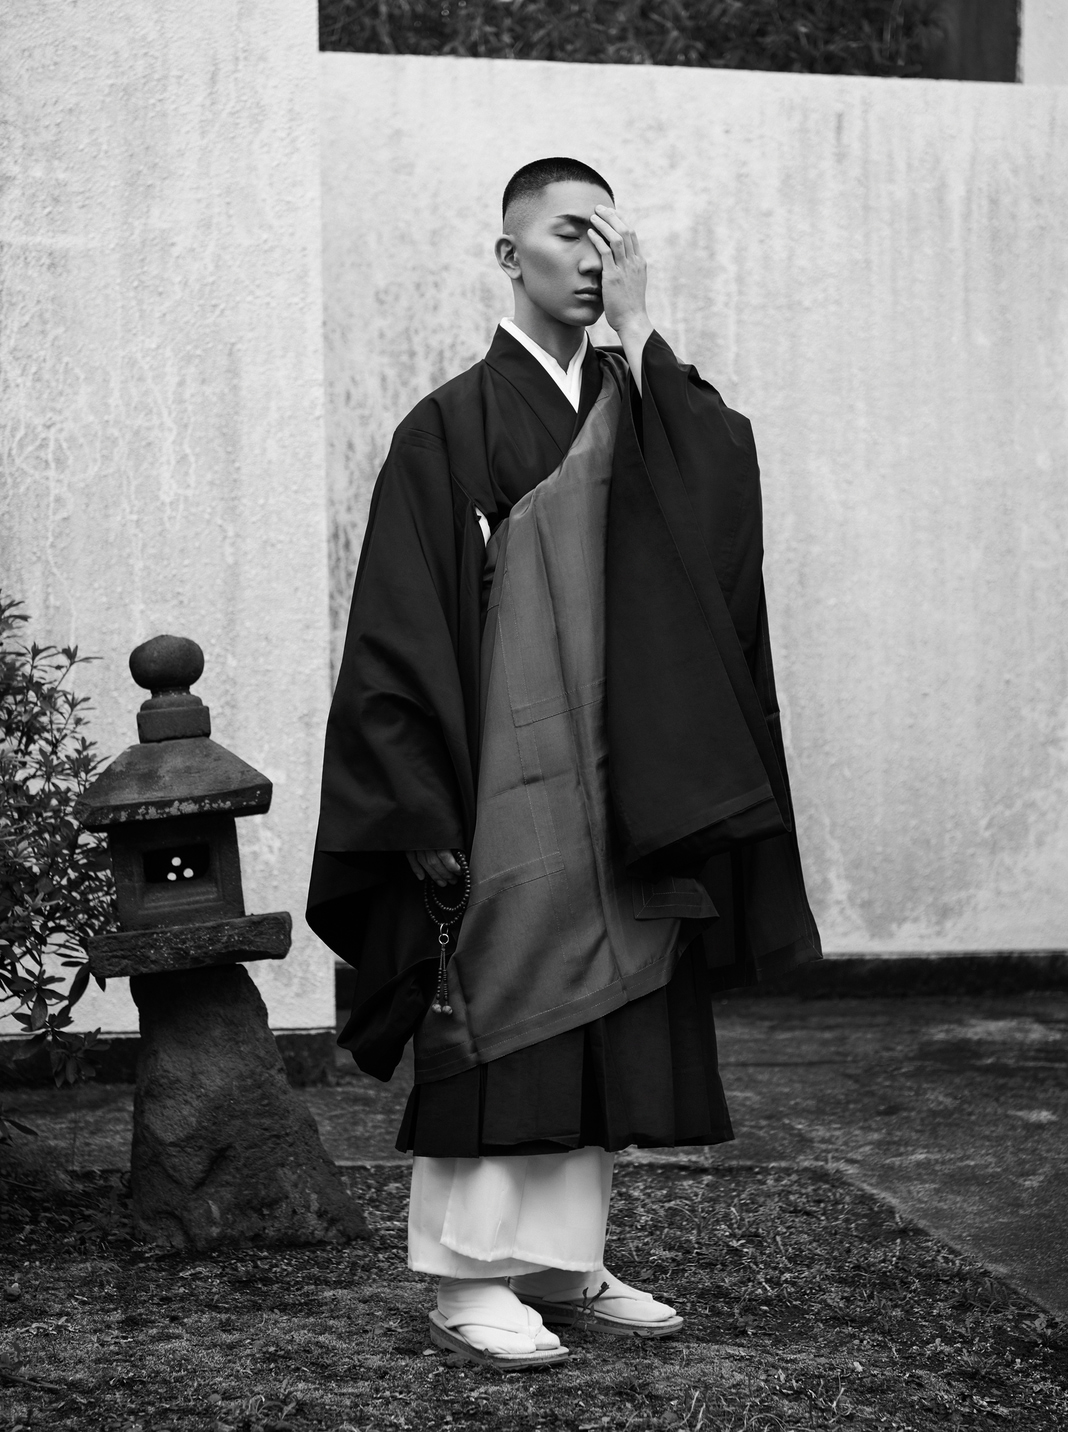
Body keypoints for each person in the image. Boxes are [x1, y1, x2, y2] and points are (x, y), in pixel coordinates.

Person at [307, 157, 821, 1368]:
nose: (594, 259)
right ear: (509, 255)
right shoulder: (449, 427)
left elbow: (720, 494)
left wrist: (641, 333)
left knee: (605, 1019)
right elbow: (396, 630)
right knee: (504, 1015)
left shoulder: (634, 403)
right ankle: (467, 1276)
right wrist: (418, 804)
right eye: (568, 233)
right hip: (504, 780)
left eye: (611, 239)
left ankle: (562, 1263)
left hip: (620, 771)